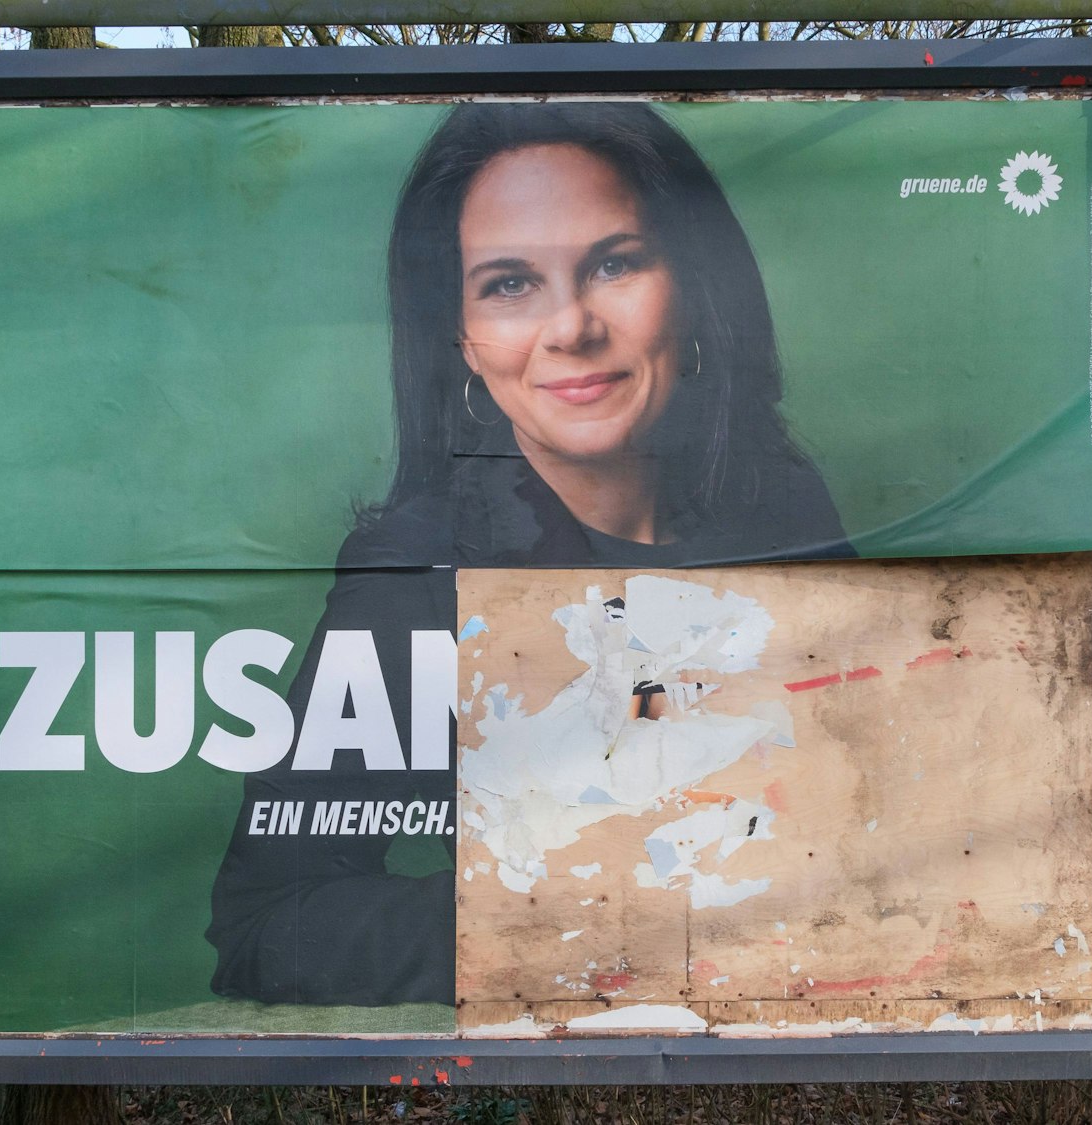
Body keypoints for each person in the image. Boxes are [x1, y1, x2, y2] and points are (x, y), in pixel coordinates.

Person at [206, 102, 849, 1008]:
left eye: (616, 263)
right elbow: (267, 925)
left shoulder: (786, 511)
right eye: (509, 283)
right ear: (460, 338)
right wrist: (569, 915)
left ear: (695, 287)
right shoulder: (416, 575)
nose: (571, 326)